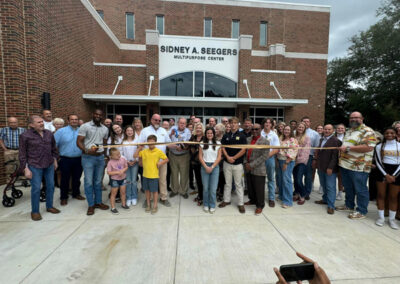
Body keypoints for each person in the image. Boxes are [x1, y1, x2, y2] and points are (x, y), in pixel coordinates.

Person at [337, 111, 377, 219]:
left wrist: (349, 148)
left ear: (362, 118)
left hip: (359, 166)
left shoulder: (368, 131)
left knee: (360, 189)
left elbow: (369, 147)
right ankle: (349, 205)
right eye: (351, 118)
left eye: (356, 117)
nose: (353, 119)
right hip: (345, 165)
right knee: (349, 187)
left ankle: (361, 211)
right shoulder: (349, 131)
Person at [19, 115, 60, 221]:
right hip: (34, 165)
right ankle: (35, 211)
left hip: (49, 164)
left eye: (42, 122)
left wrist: (55, 160)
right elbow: (22, 154)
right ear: (31, 125)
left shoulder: (49, 134)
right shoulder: (25, 136)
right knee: (36, 189)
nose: (41, 123)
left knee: (51, 186)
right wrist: (25, 168)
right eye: (38, 122)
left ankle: (49, 206)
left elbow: (54, 149)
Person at [77, 109, 110, 216]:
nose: (98, 116)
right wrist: (87, 150)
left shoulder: (105, 129)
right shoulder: (85, 126)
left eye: (100, 115)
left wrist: (105, 156)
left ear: (102, 116)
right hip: (88, 157)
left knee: (98, 182)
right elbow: (79, 142)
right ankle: (91, 205)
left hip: (100, 158)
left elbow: (104, 143)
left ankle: (98, 202)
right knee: (88, 182)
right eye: (96, 114)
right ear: (92, 114)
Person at [138, 114, 172, 207]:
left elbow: (168, 143)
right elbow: (140, 146)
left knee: (162, 180)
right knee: (149, 180)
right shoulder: (145, 131)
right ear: (151, 120)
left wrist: (177, 146)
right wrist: (140, 160)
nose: (157, 122)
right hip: (149, 162)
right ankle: (149, 199)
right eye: (155, 120)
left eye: (159, 120)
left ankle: (163, 198)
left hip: (162, 161)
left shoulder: (163, 130)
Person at [54, 114, 85, 206]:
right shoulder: (60, 131)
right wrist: (56, 157)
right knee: (65, 179)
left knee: (77, 178)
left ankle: (76, 193)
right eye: (72, 119)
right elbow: (54, 145)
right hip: (65, 159)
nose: (74, 121)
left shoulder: (82, 131)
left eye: (76, 119)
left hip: (79, 158)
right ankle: (63, 197)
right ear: (68, 121)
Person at [219, 117, 247, 213]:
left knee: (238, 184)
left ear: (238, 124)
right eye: (231, 123)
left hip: (238, 164)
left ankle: (241, 203)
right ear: (229, 125)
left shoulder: (242, 136)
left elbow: (243, 149)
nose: (233, 124)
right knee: (227, 183)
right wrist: (228, 157)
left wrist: (234, 158)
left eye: (235, 123)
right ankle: (226, 200)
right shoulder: (226, 135)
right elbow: (222, 147)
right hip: (227, 163)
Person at [374, 127, 400, 229]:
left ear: (395, 134)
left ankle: (392, 220)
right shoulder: (379, 146)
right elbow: (378, 161)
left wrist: (394, 175)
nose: (389, 135)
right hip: (382, 171)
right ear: (384, 135)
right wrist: (386, 175)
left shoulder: (399, 145)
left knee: (393, 197)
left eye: (392, 133)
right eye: (387, 133)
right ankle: (381, 218)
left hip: (397, 173)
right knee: (381, 195)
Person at [136, 135, 169, 214]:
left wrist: (160, 163)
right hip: (145, 175)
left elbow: (167, 159)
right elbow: (135, 156)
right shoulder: (144, 151)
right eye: (149, 142)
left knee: (154, 191)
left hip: (154, 175)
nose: (150, 143)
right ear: (147, 143)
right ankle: (148, 204)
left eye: (152, 142)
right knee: (147, 191)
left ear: (155, 142)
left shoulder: (158, 151)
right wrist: (140, 148)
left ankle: (155, 205)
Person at [313, 124, 342, 214]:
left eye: (329, 129)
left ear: (333, 130)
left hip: (330, 169)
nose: (327, 131)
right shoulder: (322, 139)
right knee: (324, 185)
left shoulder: (335, 141)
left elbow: (335, 157)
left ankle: (331, 205)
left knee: (330, 187)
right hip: (321, 167)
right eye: (325, 129)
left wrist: (330, 168)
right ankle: (325, 199)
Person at [244, 124, 269, 215]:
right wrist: (246, 163)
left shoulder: (265, 141)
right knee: (250, 186)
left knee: (259, 188)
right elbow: (245, 152)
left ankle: (260, 205)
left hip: (259, 168)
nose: (254, 131)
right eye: (253, 129)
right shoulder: (248, 140)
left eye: (256, 129)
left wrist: (252, 164)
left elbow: (264, 156)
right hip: (248, 167)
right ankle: (252, 200)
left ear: (260, 129)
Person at [199, 127, 222, 213]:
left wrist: (212, 167)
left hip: (214, 167)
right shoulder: (202, 143)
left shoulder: (218, 143)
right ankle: (205, 204)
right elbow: (200, 156)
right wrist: (205, 167)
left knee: (213, 189)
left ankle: (212, 205)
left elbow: (219, 157)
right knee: (205, 188)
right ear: (206, 134)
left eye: (211, 133)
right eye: (208, 133)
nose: (209, 135)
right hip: (204, 166)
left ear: (213, 134)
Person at [169, 117, 191, 199]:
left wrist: (182, 148)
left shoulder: (188, 131)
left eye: (184, 123)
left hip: (184, 156)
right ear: (177, 123)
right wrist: (171, 134)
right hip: (173, 155)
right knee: (174, 173)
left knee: (184, 174)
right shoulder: (173, 129)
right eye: (181, 123)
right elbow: (167, 139)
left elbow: (188, 143)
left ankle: (183, 191)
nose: (182, 124)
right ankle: (174, 190)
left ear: (186, 124)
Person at [277, 125, 298, 208]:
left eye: (288, 130)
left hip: (288, 161)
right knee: (281, 179)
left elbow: (293, 152)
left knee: (287, 180)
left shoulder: (293, 140)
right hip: (280, 160)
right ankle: (282, 196)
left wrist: (286, 162)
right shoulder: (281, 139)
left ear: (291, 131)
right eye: (285, 129)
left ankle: (288, 201)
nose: (286, 131)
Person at [261, 118, 280, 207]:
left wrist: (267, 155)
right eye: (266, 122)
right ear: (263, 124)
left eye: (269, 123)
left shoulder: (274, 135)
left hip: (270, 158)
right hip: (260, 159)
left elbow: (276, 148)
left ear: (272, 125)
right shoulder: (260, 133)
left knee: (271, 179)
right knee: (260, 178)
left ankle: (271, 198)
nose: (267, 124)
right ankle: (260, 197)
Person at [0, 117, 26, 181]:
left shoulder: (23, 130)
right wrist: (5, 149)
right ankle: (9, 181)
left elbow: (26, 140)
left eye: (15, 122)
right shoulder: (4, 130)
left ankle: (21, 179)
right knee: (9, 167)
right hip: (9, 151)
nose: (13, 124)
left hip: (20, 150)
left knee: (21, 165)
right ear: (8, 123)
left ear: (17, 123)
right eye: (11, 122)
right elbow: (1, 140)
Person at [301, 116, 321, 199]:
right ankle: (299, 190)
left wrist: (315, 159)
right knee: (298, 175)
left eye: (307, 121)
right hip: (298, 156)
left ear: (310, 123)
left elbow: (317, 147)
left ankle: (307, 192)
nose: (306, 123)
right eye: (304, 121)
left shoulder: (315, 133)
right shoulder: (296, 132)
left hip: (309, 156)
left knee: (308, 176)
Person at [292, 122, 311, 205]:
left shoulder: (307, 138)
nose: (300, 128)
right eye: (299, 127)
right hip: (293, 160)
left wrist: (297, 161)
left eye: (302, 127)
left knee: (299, 179)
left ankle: (303, 195)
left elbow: (305, 152)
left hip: (301, 162)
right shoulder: (294, 137)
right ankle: (296, 193)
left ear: (304, 129)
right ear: (297, 128)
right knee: (295, 179)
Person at [107, 148, 129, 214]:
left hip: (123, 179)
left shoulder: (123, 159)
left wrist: (123, 170)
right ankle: (113, 208)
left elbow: (126, 167)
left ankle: (123, 204)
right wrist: (117, 172)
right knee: (114, 194)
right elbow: (109, 172)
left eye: (119, 154)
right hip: (115, 180)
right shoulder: (110, 162)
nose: (119, 155)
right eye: (116, 155)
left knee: (123, 192)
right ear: (111, 156)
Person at [121, 125, 139, 206]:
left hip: (135, 163)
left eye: (131, 130)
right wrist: (127, 161)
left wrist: (136, 160)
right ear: (125, 132)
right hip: (126, 164)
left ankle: (134, 197)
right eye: (128, 130)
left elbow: (139, 151)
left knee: (134, 181)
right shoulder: (123, 141)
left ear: (133, 131)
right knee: (128, 181)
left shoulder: (137, 140)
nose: (129, 132)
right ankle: (128, 197)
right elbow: (121, 153)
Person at [190, 123, 205, 205]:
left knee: (203, 181)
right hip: (195, 163)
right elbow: (187, 145)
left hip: (203, 163)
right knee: (198, 181)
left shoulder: (205, 138)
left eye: (200, 128)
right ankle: (200, 195)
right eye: (197, 128)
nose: (198, 129)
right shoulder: (193, 137)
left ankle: (203, 197)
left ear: (202, 129)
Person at [335, 123, 346, 200]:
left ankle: (340, 192)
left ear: (344, 130)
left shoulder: (347, 138)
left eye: (342, 128)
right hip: (333, 158)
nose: (340, 130)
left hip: (343, 159)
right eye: (338, 128)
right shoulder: (332, 137)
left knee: (340, 177)